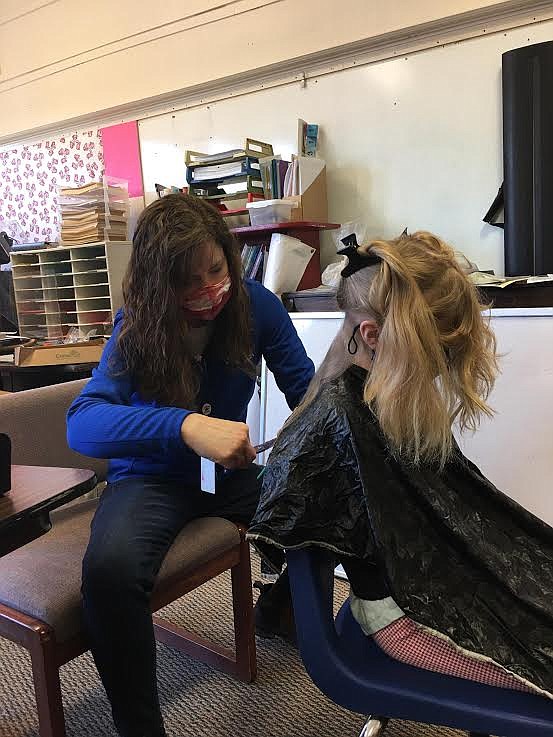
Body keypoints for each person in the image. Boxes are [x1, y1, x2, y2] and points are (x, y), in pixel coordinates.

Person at [248, 231, 553, 699]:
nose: (439, 370)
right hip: (404, 617)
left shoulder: (379, 399)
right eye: (436, 356)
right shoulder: (337, 419)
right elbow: (290, 511)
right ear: (372, 335)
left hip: (435, 585)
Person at [66, 194, 314, 737]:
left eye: (217, 270)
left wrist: (358, 378)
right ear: (160, 284)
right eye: (188, 281)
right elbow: (82, 423)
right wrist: (182, 426)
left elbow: (309, 393)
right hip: (150, 479)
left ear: (230, 257)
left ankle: (280, 608)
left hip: (229, 477)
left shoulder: (257, 306)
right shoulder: (137, 325)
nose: (208, 290)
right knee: (110, 574)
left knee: (323, 504)